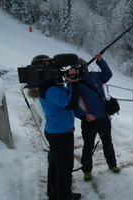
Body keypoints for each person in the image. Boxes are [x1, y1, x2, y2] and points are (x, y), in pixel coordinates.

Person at [31, 55, 82, 200]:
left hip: (56, 132)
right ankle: (64, 195)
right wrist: (75, 84)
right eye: (50, 67)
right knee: (65, 166)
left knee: (55, 164)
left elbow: (66, 95)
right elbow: (70, 103)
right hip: (61, 133)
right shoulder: (50, 89)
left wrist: (69, 82)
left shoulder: (49, 87)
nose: (55, 70)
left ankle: (53, 192)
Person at [74, 54, 120, 182]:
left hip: (104, 118)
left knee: (108, 143)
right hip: (89, 121)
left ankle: (112, 164)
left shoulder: (95, 76)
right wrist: (84, 116)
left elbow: (107, 74)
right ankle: (87, 171)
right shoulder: (74, 84)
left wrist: (100, 61)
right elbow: (72, 106)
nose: (85, 70)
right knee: (88, 146)